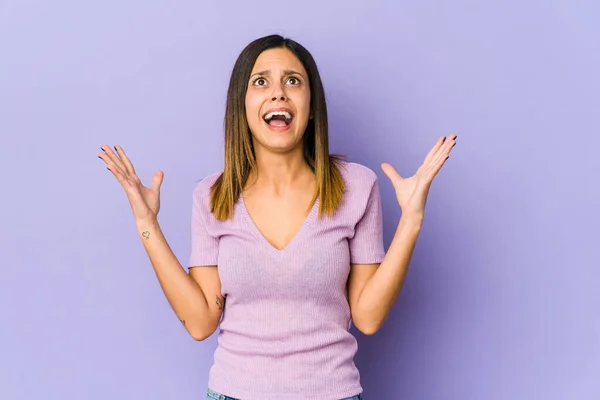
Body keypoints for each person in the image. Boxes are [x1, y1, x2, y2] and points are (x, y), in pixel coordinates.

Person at [98, 34, 457, 400]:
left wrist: (411, 220)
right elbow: (201, 320)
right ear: (242, 105)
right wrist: (147, 225)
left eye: (293, 81)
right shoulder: (211, 196)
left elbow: (368, 316)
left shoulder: (357, 186)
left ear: (312, 105)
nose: (278, 93)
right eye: (260, 81)